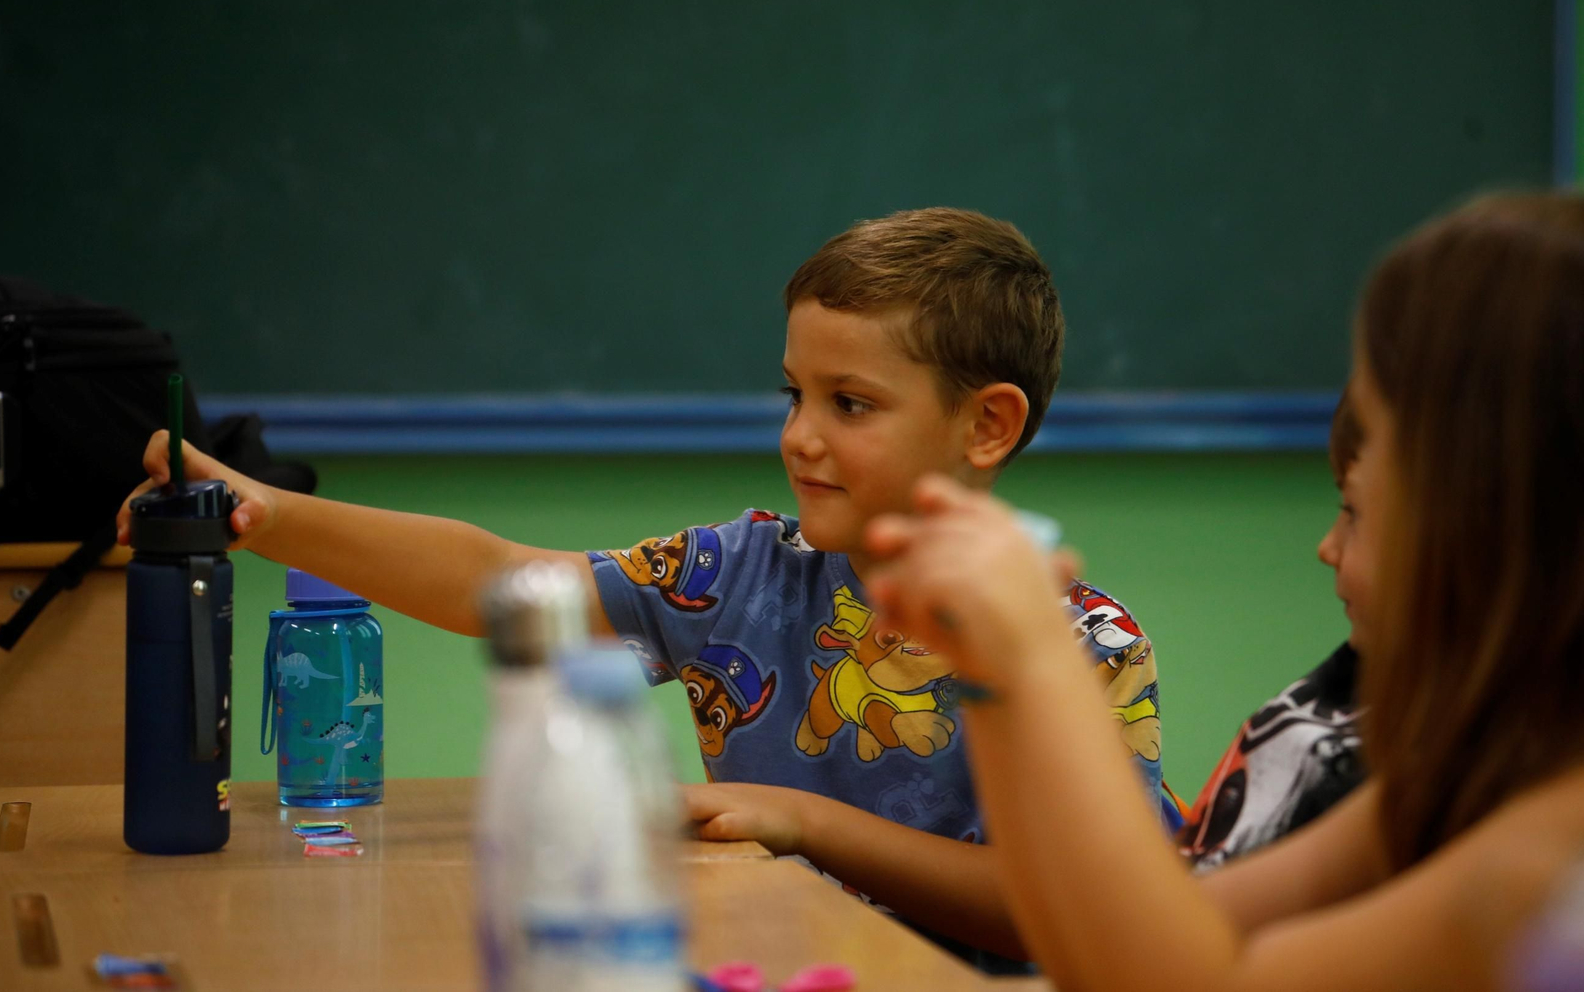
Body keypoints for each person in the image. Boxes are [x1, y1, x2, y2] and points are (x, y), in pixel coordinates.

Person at [119, 208, 1179, 962]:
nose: (799, 436)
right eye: (793, 392)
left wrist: (797, 818)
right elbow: (501, 581)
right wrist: (262, 510)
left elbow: (1060, 911)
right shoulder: (745, 570)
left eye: (850, 403)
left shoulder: (1082, 645)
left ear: (987, 423)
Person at [859, 191, 1584, 990]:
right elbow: (1117, 947)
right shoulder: (1445, 785)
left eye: (1360, 484)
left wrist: (1028, 663)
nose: (1327, 541)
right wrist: (994, 672)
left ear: (1485, 506)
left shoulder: (1541, 872)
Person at [1178, 389, 1368, 868]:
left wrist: (1030, 670)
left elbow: (1194, 931)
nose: (1326, 547)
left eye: (1355, 511)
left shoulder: (1404, 783)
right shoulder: (1337, 699)